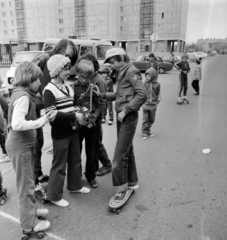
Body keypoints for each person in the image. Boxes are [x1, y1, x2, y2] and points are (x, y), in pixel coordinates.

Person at [94, 47, 147, 204]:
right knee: (127, 151)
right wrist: (102, 95)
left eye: (113, 62)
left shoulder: (131, 72)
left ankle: (120, 191)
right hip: (122, 117)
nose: (112, 66)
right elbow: (120, 96)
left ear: (121, 58)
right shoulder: (122, 72)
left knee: (118, 157)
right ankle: (132, 181)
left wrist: (125, 111)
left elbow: (142, 95)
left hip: (127, 117)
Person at [6, 62, 52, 234]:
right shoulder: (24, 97)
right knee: (25, 186)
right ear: (29, 79)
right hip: (20, 145)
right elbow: (17, 123)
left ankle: (31, 211)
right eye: (38, 79)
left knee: (28, 182)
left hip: (21, 145)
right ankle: (29, 223)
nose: (40, 82)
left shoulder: (20, 93)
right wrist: (42, 121)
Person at [44, 55, 90, 208]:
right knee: (59, 165)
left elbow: (71, 106)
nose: (68, 72)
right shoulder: (49, 90)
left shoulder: (67, 87)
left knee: (75, 160)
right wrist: (74, 115)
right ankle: (54, 196)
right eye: (64, 69)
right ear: (56, 71)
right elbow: (51, 115)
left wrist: (80, 110)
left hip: (73, 131)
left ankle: (75, 185)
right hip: (60, 134)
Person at [32, 39, 78, 185]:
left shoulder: (63, 81)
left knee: (39, 141)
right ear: (59, 48)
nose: (67, 58)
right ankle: (35, 176)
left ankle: (37, 174)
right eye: (65, 53)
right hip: (34, 106)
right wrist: (34, 94)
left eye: (70, 57)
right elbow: (27, 72)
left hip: (45, 107)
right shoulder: (45, 57)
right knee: (34, 142)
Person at [78, 54, 112, 177]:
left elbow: (103, 102)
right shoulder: (87, 78)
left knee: (96, 144)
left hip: (95, 119)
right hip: (86, 118)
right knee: (93, 145)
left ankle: (107, 165)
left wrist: (97, 117)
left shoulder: (99, 80)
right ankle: (94, 168)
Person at [71, 59, 101, 188]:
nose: (84, 80)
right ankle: (77, 176)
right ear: (77, 73)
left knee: (91, 152)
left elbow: (99, 106)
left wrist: (94, 117)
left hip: (90, 125)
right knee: (76, 152)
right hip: (77, 124)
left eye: (88, 77)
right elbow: (69, 105)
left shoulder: (94, 88)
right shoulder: (71, 87)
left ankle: (91, 176)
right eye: (82, 77)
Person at [142, 67, 161, 140]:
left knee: (152, 119)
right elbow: (142, 93)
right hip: (146, 105)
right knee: (145, 119)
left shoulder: (157, 84)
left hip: (153, 105)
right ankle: (144, 131)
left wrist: (158, 100)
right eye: (146, 75)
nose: (147, 77)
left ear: (153, 76)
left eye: (148, 75)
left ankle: (148, 130)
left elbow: (159, 93)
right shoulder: (144, 83)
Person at [0, 94, 9, 163]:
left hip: (2, 120)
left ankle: (8, 154)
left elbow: (6, 105)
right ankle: (5, 153)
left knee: (4, 135)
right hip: (2, 120)